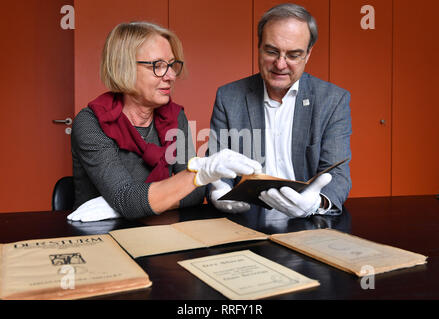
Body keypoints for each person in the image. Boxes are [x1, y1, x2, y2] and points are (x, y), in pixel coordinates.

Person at [68, 22, 261, 222]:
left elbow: (194, 194)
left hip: (159, 228)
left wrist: (127, 206)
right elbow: (127, 199)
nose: (171, 76)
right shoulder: (91, 123)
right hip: (100, 233)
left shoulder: (175, 116)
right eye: (158, 66)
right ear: (123, 67)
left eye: (171, 65)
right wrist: (129, 204)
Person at [208, 3, 352, 218]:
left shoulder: (333, 100)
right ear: (259, 47)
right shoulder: (229, 97)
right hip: (245, 219)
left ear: (308, 54)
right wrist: (219, 191)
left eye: (293, 55)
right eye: (272, 51)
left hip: (310, 223)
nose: (280, 64)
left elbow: (337, 174)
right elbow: (216, 166)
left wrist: (316, 203)